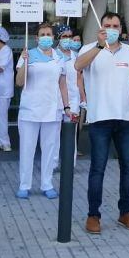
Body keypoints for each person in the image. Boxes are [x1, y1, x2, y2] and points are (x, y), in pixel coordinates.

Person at [74, 11, 129, 234]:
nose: (112, 28)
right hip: (100, 119)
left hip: (127, 119)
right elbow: (78, 66)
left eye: (116, 25)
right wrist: (98, 45)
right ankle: (93, 215)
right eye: (108, 24)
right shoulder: (89, 48)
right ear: (101, 26)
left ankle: (125, 213)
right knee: (98, 169)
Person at [15, 23, 71, 198]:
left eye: (49, 34)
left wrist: (67, 106)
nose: (46, 37)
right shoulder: (28, 54)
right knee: (27, 149)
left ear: (53, 37)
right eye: (42, 34)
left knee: (50, 149)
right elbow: (19, 82)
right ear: (36, 38)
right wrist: (24, 61)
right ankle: (24, 185)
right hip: (30, 110)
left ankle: (47, 184)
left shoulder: (59, 57)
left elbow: (62, 84)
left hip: (52, 109)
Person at [56, 26, 84, 167]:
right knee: (54, 134)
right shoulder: (53, 55)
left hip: (73, 100)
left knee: (71, 133)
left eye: (69, 36)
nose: (67, 39)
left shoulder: (76, 56)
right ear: (58, 38)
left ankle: (69, 164)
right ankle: (54, 163)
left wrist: (83, 97)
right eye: (64, 36)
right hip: (56, 100)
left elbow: (79, 78)